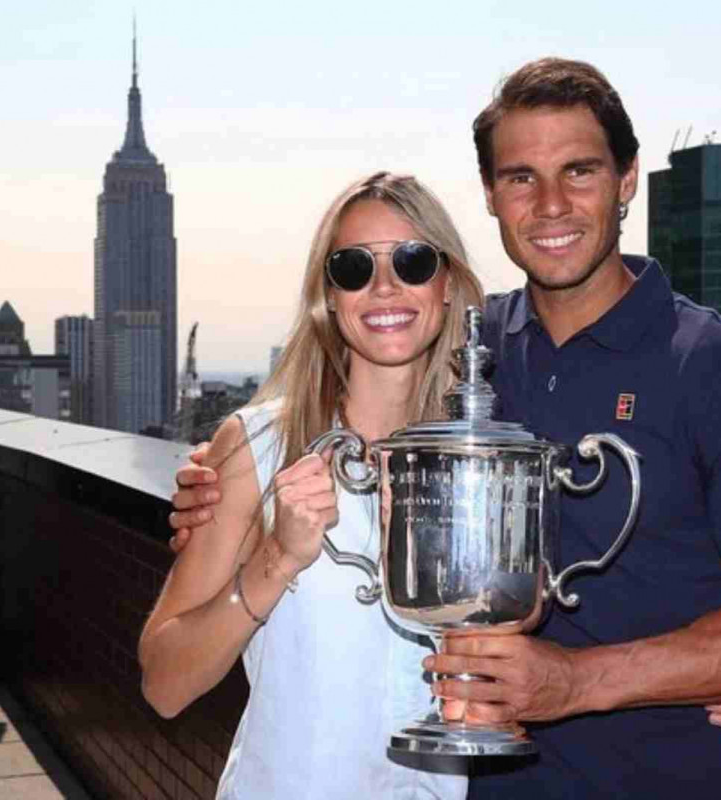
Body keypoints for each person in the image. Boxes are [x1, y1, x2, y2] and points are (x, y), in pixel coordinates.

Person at [169, 59, 721, 797]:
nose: (551, 204)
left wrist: (588, 681)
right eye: (521, 177)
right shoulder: (468, 358)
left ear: (626, 181)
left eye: (578, 171)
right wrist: (225, 478)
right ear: (491, 196)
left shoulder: (717, 366)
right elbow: (343, 394)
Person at [139, 172, 487, 799]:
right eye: (354, 267)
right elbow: (164, 685)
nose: (384, 287)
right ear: (329, 295)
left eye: (412, 261)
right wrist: (276, 559)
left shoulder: (481, 465)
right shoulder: (259, 447)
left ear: (448, 284)